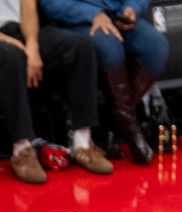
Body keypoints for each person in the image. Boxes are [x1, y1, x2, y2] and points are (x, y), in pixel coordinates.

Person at [0, 0, 114, 182]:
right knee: (9, 55)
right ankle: (22, 149)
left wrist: (32, 45)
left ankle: (83, 142)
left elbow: (28, 8)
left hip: (18, 30)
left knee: (80, 46)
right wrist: (7, 40)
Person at [39, 0, 168, 164]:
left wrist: (132, 8)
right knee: (109, 47)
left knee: (156, 47)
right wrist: (94, 14)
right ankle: (131, 129)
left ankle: (115, 121)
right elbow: (51, 4)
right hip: (76, 20)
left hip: (118, 14)